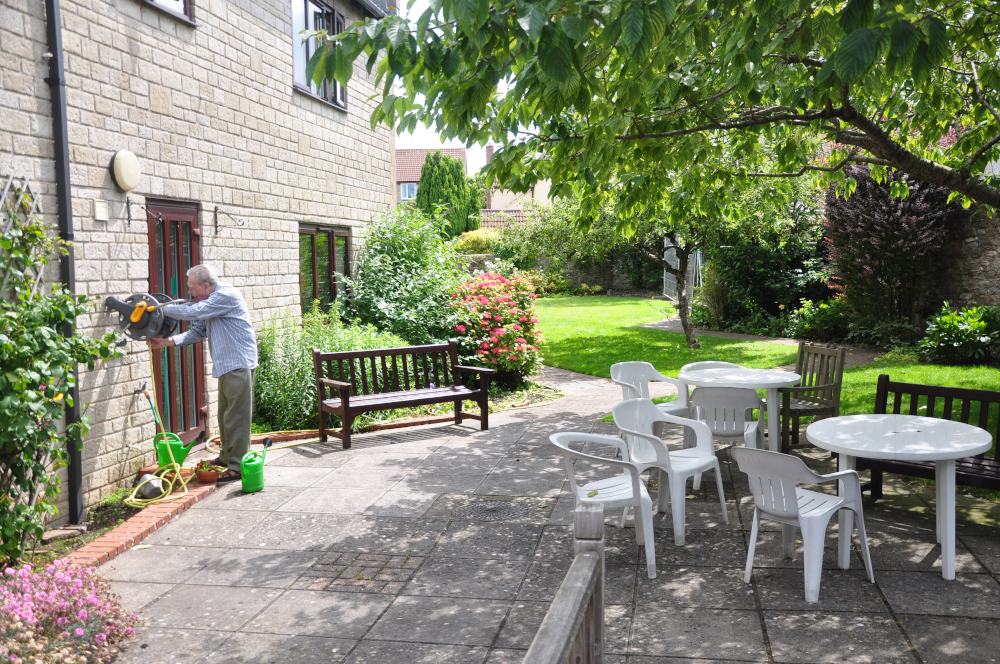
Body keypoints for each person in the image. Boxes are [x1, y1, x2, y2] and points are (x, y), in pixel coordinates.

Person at [150, 265, 257, 482]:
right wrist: (166, 342)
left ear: (206, 286)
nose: (190, 293)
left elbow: (193, 313)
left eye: (192, 289)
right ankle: (226, 458)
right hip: (226, 366)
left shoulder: (226, 295)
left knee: (237, 418)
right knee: (226, 415)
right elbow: (198, 330)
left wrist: (157, 308)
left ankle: (236, 467)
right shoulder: (206, 303)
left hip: (238, 363)